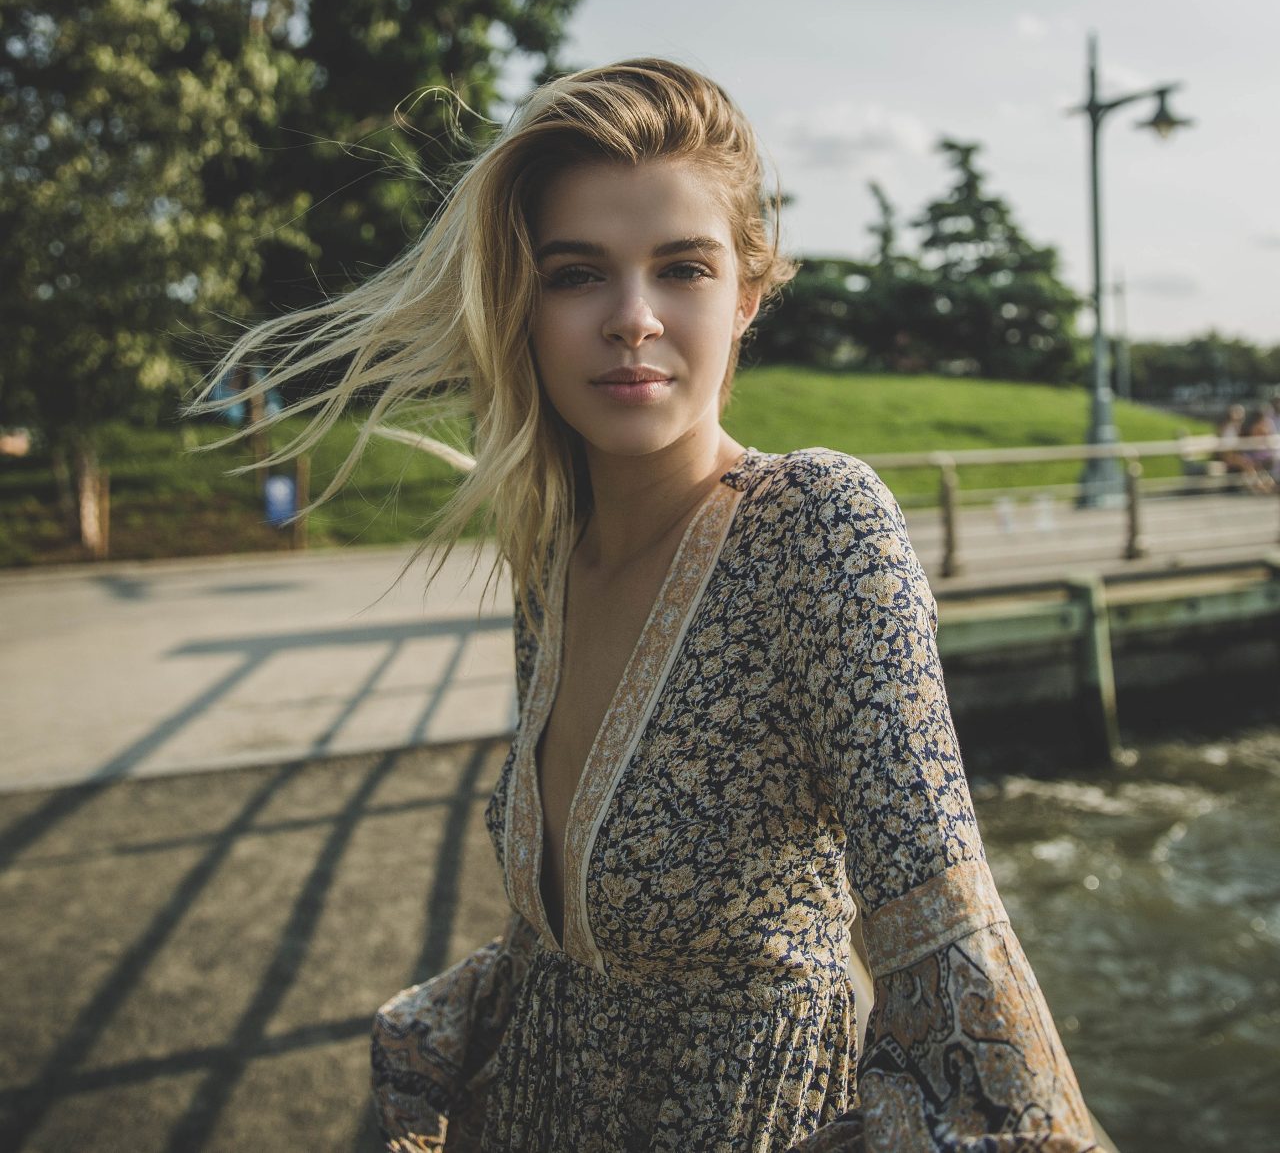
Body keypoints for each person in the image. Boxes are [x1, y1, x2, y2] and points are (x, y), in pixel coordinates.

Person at [199, 59, 1095, 1151]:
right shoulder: (547, 553)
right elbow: (564, 937)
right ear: (522, 307)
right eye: (577, 274)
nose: (631, 318)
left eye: (680, 268)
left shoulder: (816, 527)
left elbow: (960, 980)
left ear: (746, 297)